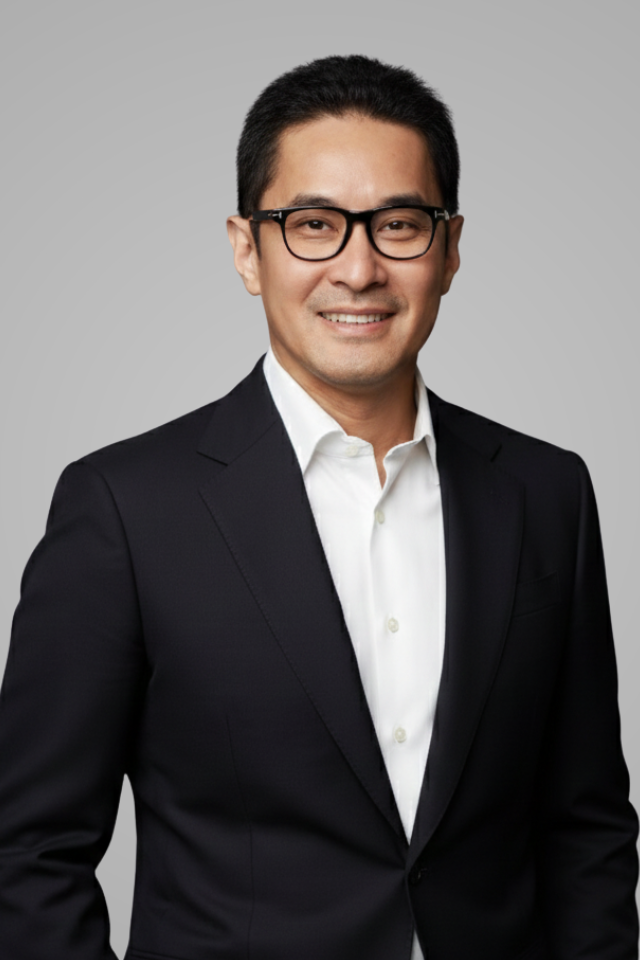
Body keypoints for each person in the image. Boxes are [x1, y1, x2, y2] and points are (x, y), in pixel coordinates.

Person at [0, 53, 637, 960]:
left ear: (451, 249)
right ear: (246, 250)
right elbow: (29, 852)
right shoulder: (124, 509)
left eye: (399, 225)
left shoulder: (546, 494)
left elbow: (587, 829)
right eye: (314, 226)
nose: (359, 268)